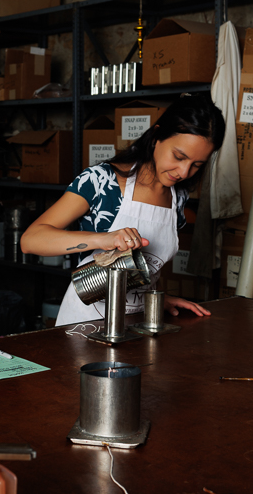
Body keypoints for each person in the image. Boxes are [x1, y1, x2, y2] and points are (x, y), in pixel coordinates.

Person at [20, 94, 225, 326]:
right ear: (157, 136)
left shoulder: (177, 198)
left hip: (138, 326)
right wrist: (103, 239)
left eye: (197, 164)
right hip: (85, 325)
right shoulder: (101, 181)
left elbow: (149, 270)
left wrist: (159, 298)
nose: (184, 172)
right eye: (179, 156)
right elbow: (31, 240)